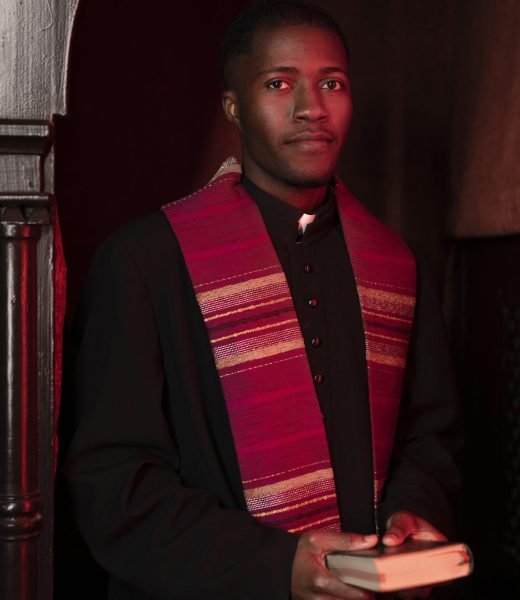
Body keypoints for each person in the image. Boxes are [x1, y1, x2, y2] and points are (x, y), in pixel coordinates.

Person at [64, 2, 461, 599]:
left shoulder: (396, 264)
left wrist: (409, 515)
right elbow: (115, 484)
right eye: (279, 83)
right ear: (233, 107)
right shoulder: (145, 262)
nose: (312, 108)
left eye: (333, 83)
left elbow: (430, 436)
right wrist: (278, 567)